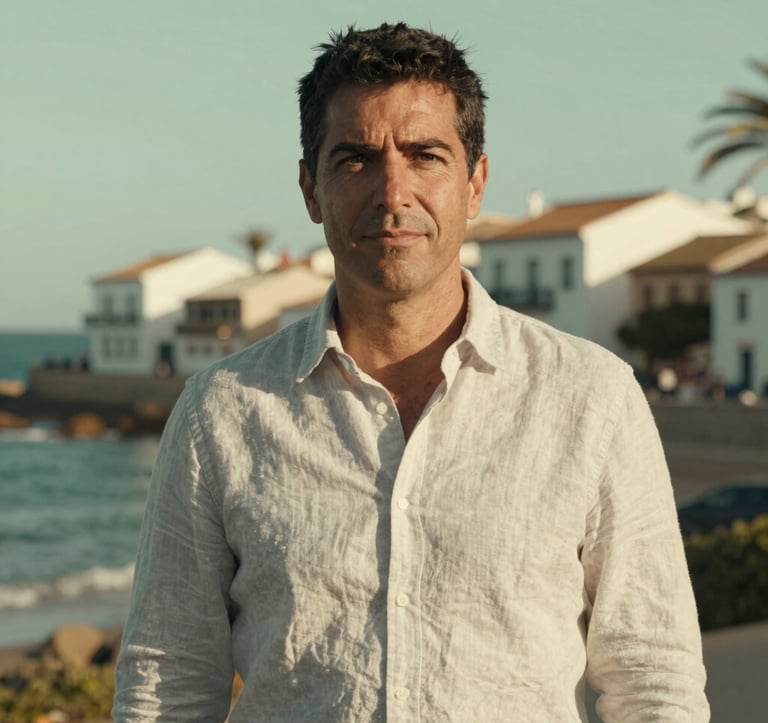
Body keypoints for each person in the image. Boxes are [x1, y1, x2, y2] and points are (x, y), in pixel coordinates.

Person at [113, 22, 709, 722]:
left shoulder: (591, 399)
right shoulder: (222, 411)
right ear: (311, 190)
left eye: (425, 155)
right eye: (356, 159)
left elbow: (652, 680)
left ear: (475, 183)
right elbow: (169, 680)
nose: (392, 191)